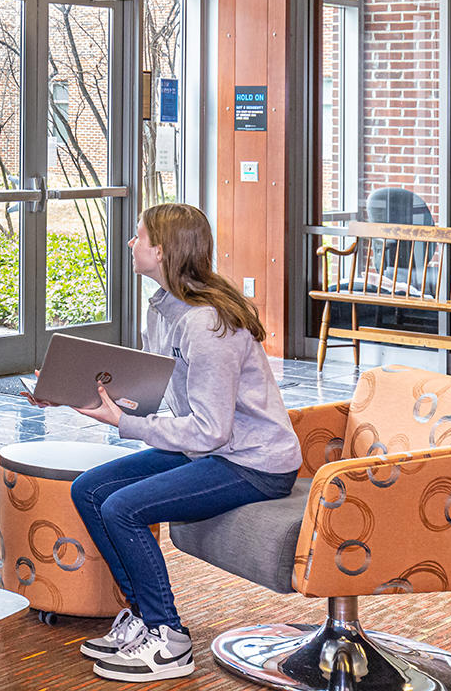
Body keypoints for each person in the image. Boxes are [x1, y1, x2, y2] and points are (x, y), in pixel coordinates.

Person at [41, 203, 300, 683]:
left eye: (138, 236)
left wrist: (124, 421)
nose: (130, 243)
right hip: (208, 449)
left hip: (253, 463)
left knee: (122, 508)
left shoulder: (207, 325)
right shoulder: (163, 307)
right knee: (89, 491)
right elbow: (153, 394)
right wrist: (70, 392)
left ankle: (169, 639)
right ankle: (143, 617)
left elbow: (209, 430)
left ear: (161, 250)